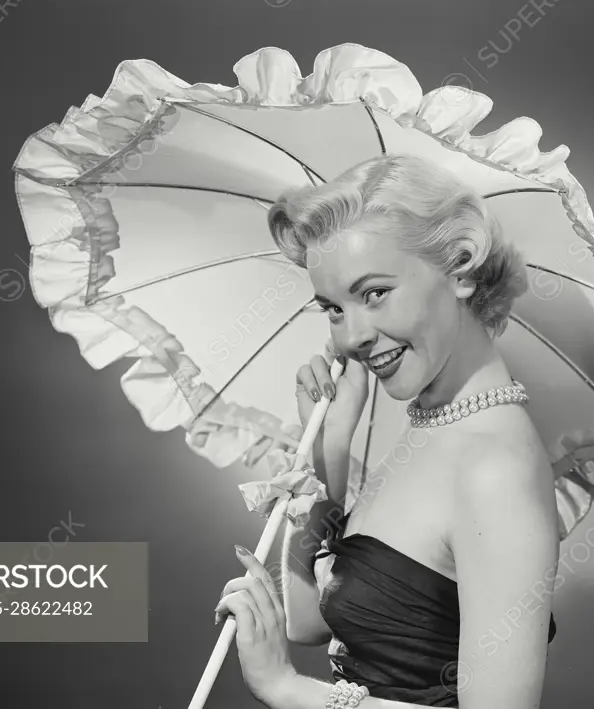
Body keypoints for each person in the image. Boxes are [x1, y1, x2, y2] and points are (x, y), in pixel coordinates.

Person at [214, 154, 560, 708]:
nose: (351, 337)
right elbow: (308, 618)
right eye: (332, 307)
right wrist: (329, 447)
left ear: (461, 265)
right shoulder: (434, 425)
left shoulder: (496, 469)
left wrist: (287, 688)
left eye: (374, 293)